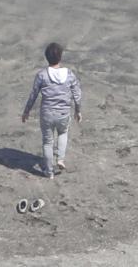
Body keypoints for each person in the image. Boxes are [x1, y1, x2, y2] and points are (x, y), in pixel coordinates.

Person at [22, 43, 83, 178]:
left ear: (46, 58)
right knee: (63, 133)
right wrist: (78, 110)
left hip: (47, 114)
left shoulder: (42, 75)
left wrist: (26, 111)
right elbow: (77, 94)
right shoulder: (69, 74)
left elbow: (33, 95)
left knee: (47, 142)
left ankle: (49, 172)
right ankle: (60, 159)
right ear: (60, 57)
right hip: (63, 113)